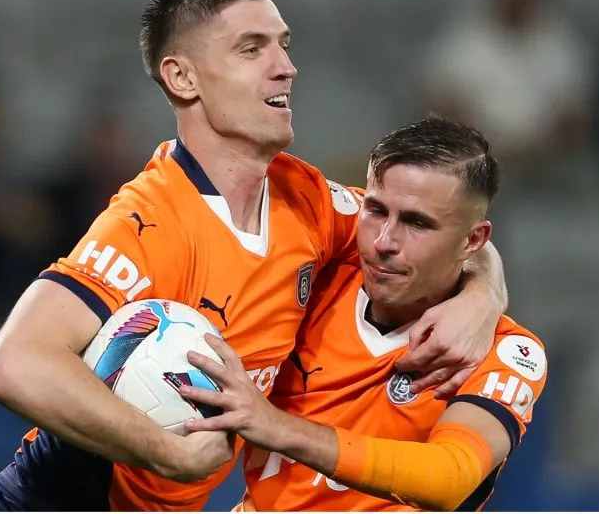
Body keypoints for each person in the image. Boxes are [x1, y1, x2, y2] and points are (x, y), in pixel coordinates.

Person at [0, 0, 508, 512]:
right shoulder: (152, 223)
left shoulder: (308, 201)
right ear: (182, 76)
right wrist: (167, 453)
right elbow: (13, 365)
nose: (285, 66)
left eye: (284, 45)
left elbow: (437, 237)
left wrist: (481, 295)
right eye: (251, 49)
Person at [179, 116, 546, 511]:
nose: (385, 241)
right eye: (375, 210)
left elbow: (449, 476)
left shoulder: (507, 353)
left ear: (473, 240)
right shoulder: (313, 273)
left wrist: (273, 425)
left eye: (416, 223)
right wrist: (485, 289)